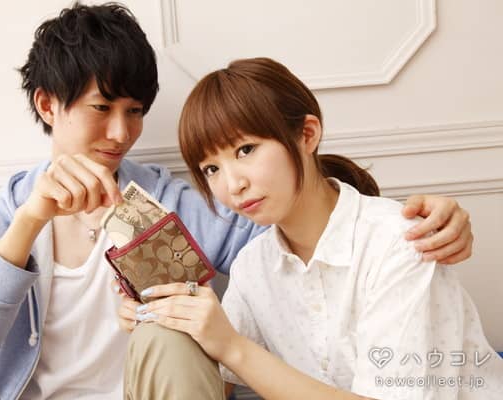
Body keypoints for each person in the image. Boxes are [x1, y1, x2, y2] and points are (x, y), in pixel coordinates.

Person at [0, 3, 474, 400]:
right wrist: (29, 222)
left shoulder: (171, 200)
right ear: (48, 105)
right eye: (102, 108)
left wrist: (420, 218)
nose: (121, 133)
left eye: (135, 111)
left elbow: (295, 226)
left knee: (167, 333)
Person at [126, 57, 503, 399]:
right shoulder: (253, 267)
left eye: (246, 150)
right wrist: (164, 319)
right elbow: (210, 384)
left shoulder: (398, 243)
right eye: (211, 169)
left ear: (307, 134)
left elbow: (230, 351)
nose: (233, 184)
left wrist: (232, 347)